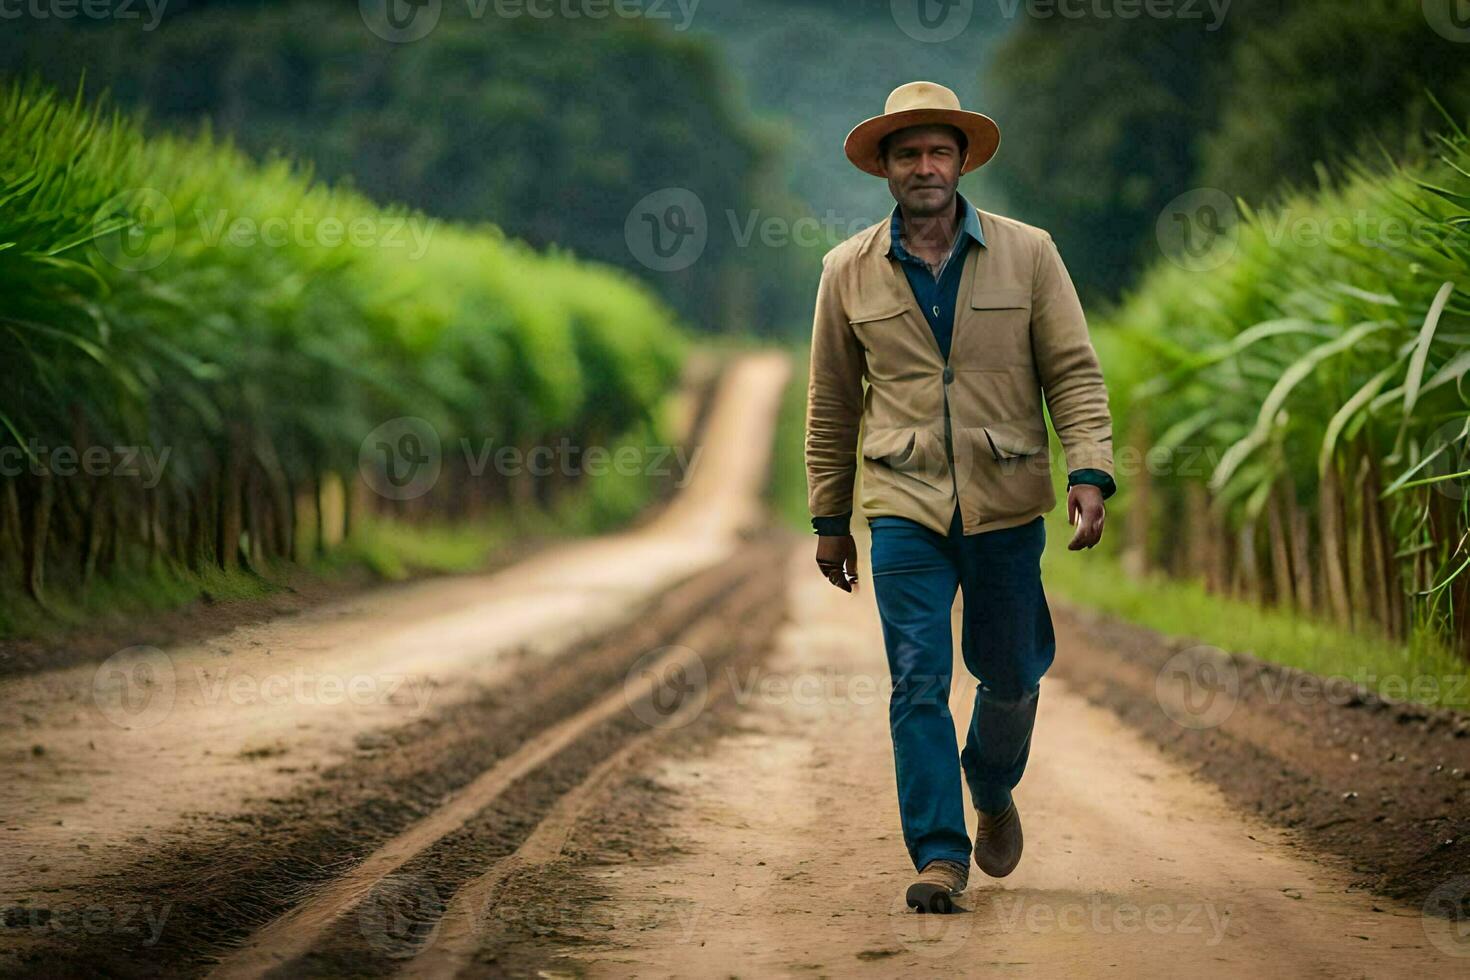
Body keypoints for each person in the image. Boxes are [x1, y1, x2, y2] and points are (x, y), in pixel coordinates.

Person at [804, 81, 1117, 913]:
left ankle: (991, 782)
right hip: (901, 504)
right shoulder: (846, 271)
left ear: (963, 159)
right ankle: (940, 854)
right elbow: (832, 402)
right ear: (885, 168)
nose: (925, 165)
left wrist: (1088, 469)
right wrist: (830, 520)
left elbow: (1074, 372)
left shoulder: (1030, 253)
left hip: (1008, 496)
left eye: (938, 150)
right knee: (916, 679)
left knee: (1012, 675)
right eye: (906, 153)